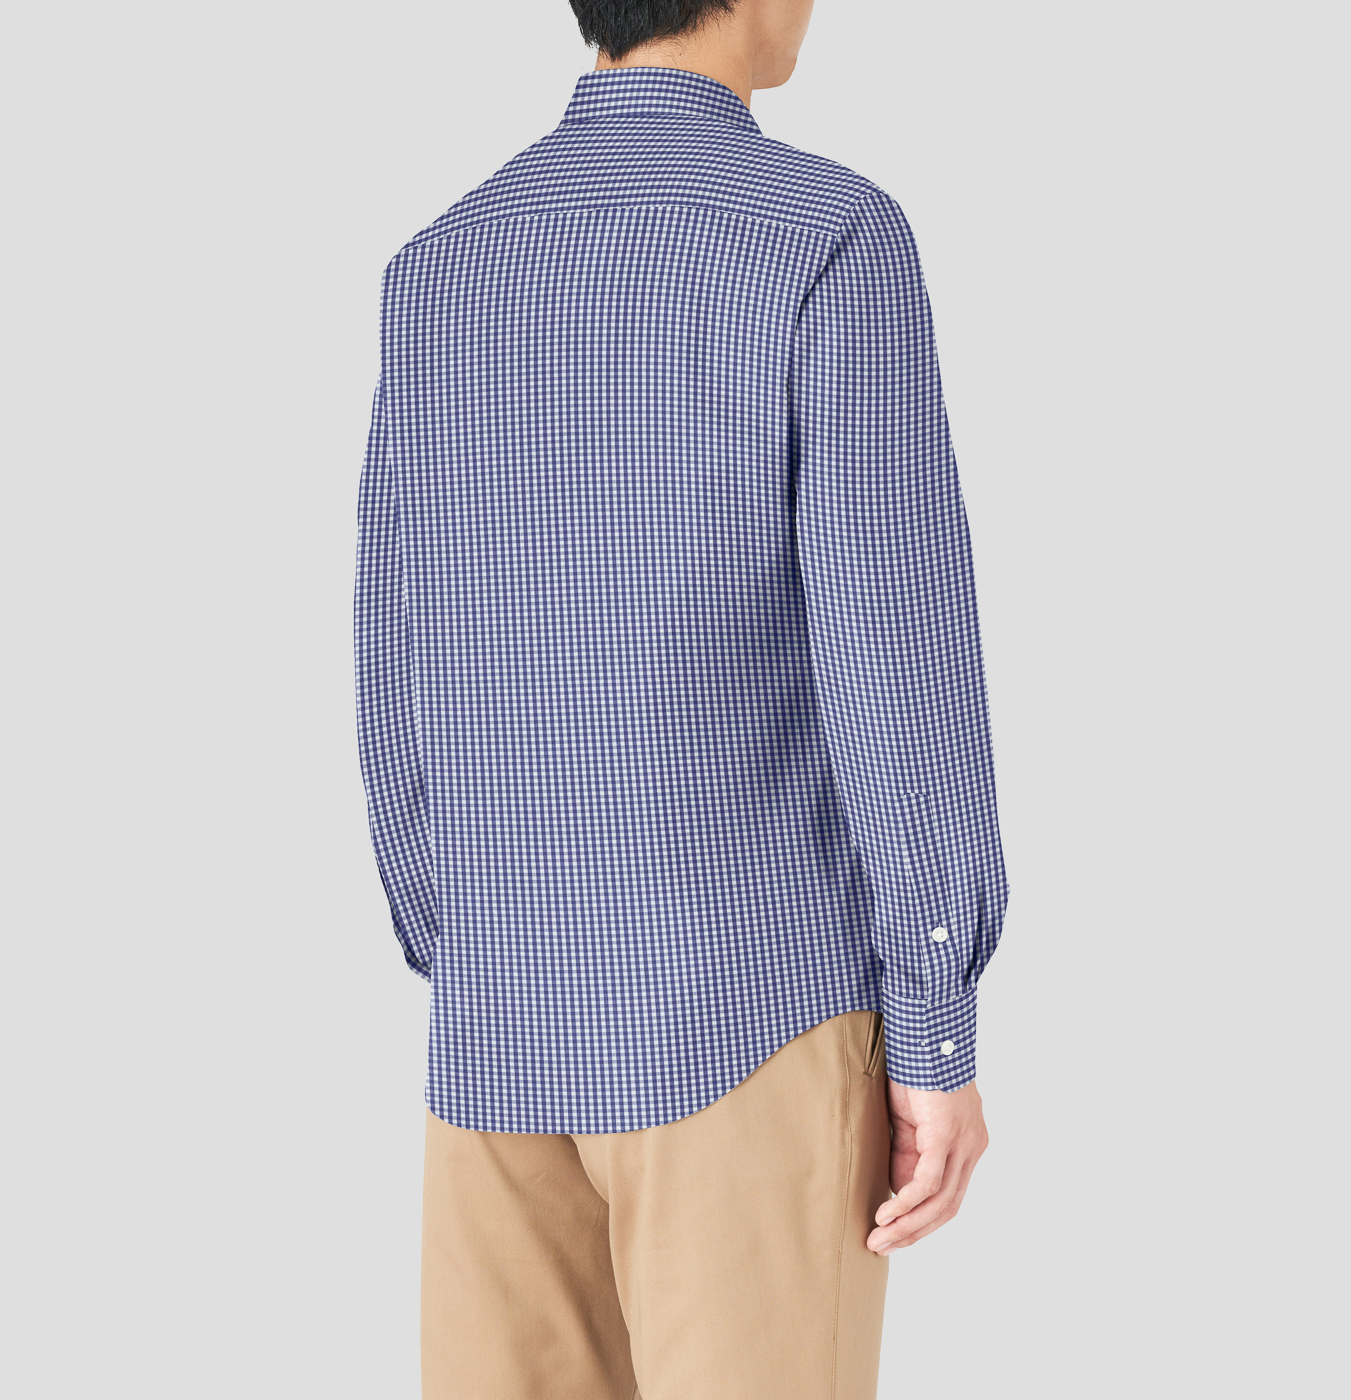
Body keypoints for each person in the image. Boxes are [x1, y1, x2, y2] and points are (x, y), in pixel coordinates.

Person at [353, 1, 1009, 1394]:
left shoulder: (441, 265)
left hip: (493, 1036)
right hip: (747, 1022)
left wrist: (466, 950)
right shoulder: (826, 237)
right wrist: (934, 1013)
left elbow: (394, 665)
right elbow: (892, 654)